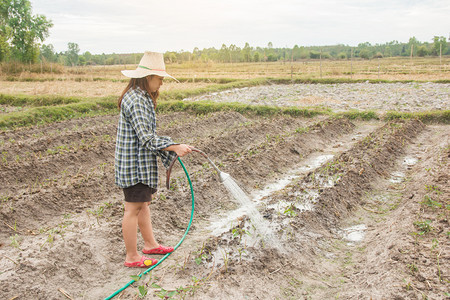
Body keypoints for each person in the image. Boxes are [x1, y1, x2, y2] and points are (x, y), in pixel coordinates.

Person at [115, 51, 192, 268]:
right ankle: (132, 256)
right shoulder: (137, 100)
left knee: (143, 205)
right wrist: (175, 147)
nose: (161, 83)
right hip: (134, 165)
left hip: (139, 163)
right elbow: (146, 138)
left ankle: (150, 245)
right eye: (160, 79)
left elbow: (148, 137)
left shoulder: (140, 96)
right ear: (148, 77)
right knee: (132, 209)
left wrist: (175, 146)